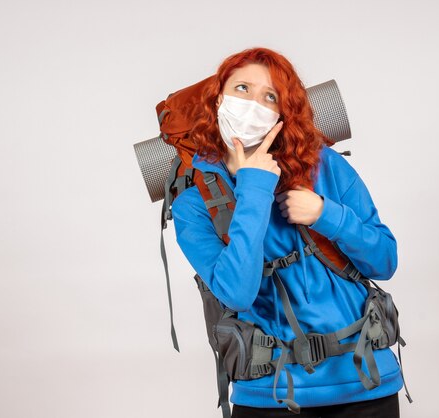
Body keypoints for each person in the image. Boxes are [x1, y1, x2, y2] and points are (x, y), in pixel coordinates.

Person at [171, 47, 403, 418]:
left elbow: (385, 261)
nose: (253, 104)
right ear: (218, 98)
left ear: (282, 112)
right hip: (271, 395)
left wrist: (326, 214)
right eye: (242, 89)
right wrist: (255, 188)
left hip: (366, 385)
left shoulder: (323, 164)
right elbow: (237, 294)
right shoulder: (193, 205)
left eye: (270, 96)